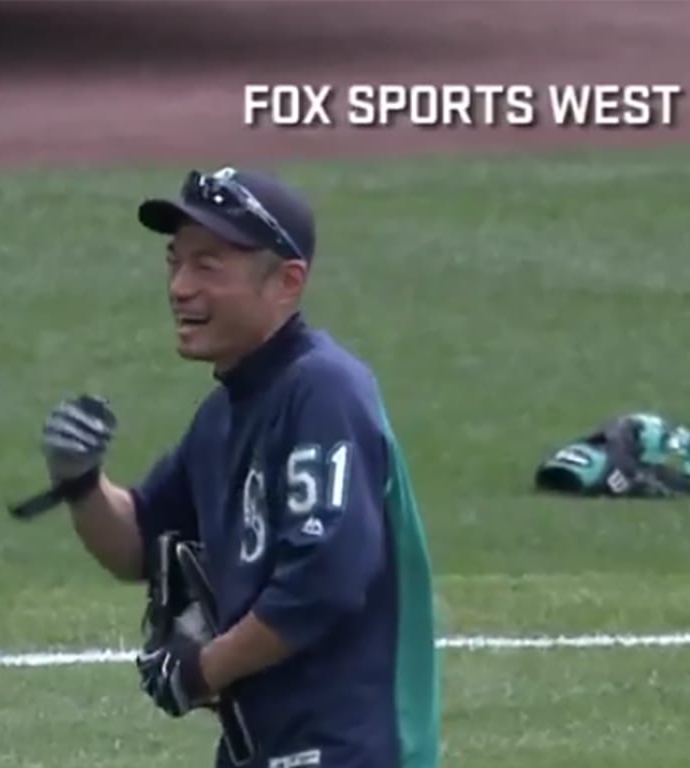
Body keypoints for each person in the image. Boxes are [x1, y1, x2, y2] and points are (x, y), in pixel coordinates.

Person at [38, 167, 440, 768]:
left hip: (351, 750)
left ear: (287, 282)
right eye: (175, 262)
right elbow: (138, 544)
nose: (179, 286)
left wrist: (202, 670)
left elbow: (323, 580)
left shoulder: (324, 392)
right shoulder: (225, 412)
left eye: (208, 265)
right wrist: (81, 481)